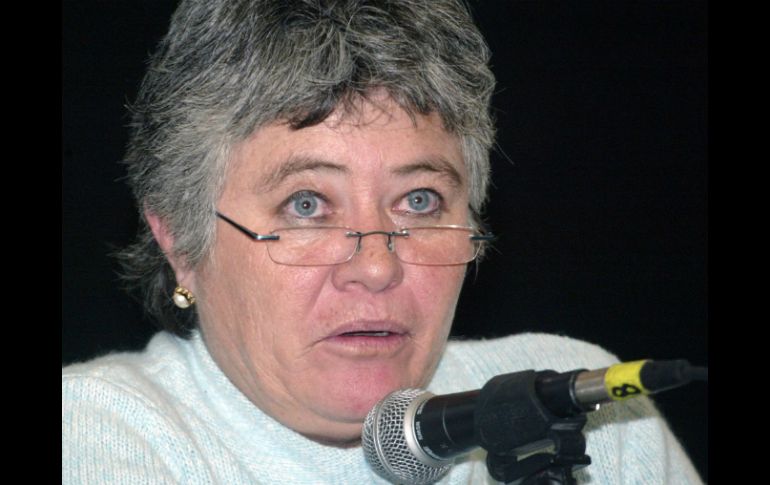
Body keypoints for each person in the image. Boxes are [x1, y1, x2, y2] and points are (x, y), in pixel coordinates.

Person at [62, 0, 704, 483]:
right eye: (307, 205)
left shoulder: (580, 403)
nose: (375, 267)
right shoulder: (96, 432)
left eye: (419, 201)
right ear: (180, 241)